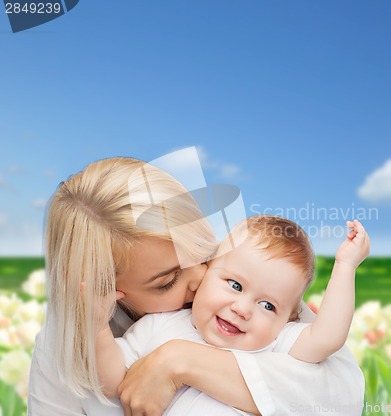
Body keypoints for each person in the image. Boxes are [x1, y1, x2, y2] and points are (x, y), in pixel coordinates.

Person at [28, 156, 365, 416]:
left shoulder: (248, 278)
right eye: (168, 281)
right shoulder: (66, 343)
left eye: (203, 254)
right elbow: (111, 381)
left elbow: (341, 396)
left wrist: (180, 361)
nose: (199, 278)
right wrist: (97, 327)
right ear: (106, 290)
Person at [94, 215, 369, 415]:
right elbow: (113, 383)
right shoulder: (159, 324)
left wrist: (345, 266)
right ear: (206, 268)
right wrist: (97, 328)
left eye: (268, 306)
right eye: (235, 285)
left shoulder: (277, 344)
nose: (242, 309)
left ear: (291, 317)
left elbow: (328, 336)